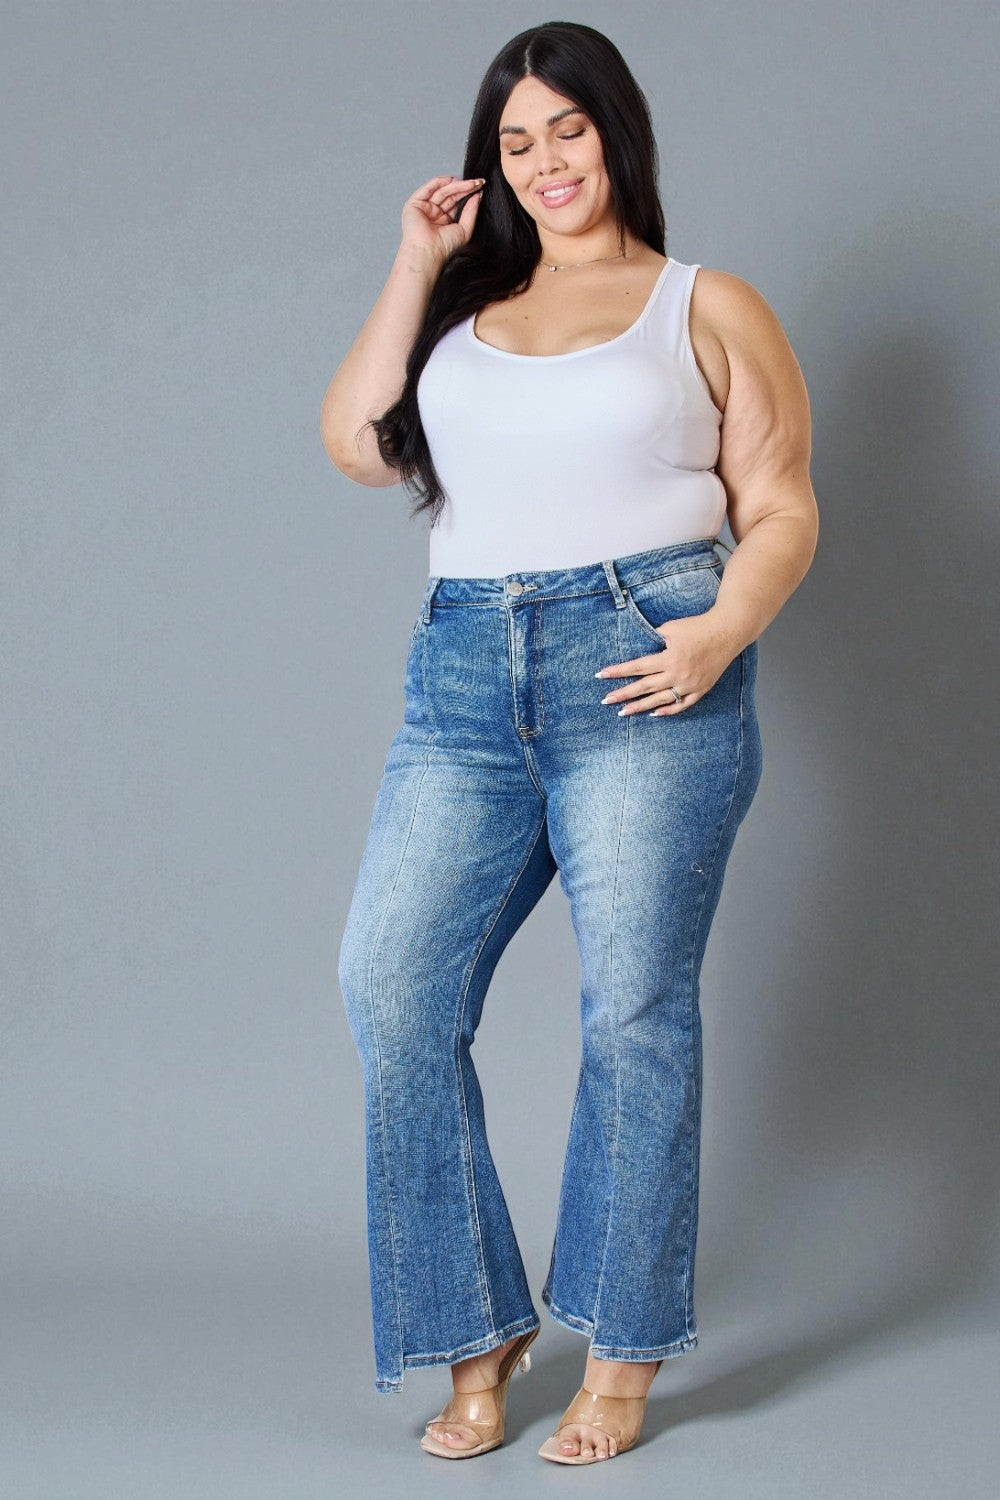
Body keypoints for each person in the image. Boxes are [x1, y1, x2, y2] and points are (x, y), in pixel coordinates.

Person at [321, 20, 818, 1467]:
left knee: (632, 1014)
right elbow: (359, 442)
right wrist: (414, 262)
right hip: (467, 678)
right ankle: (480, 1330)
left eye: (569, 130)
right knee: (391, 985)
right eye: (517, 139)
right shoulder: (461, 321)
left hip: (646, 662)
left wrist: (719, 634)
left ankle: (624, 1344)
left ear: (619, 133)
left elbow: (782, 504)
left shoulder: (704, 303)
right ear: (492, 161)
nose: (546, 161)